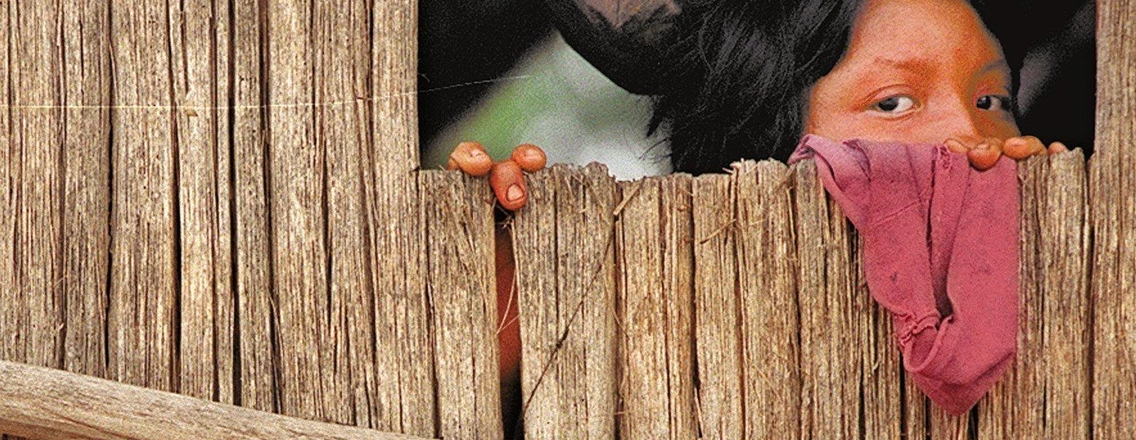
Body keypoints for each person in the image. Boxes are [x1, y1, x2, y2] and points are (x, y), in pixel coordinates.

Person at [446, 0, 1071, 436]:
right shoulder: (650, 358)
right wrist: (483, 272)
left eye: (992, 99)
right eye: (894, 102)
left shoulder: (1074, 318)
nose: (971, 134)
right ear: (763, 163)